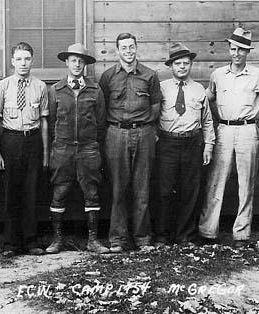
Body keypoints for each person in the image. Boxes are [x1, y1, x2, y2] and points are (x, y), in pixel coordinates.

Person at [198, 28, 259, 248]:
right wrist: (218, 120)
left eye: (241, 49)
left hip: (247, 129)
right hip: (225, 130)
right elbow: (208, 99)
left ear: (248, 52)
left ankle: (241, 234)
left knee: (246, 183)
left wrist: (257, 124)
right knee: (216, 180)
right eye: (233, 48)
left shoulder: (257, 75)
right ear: (229, 49)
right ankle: (208, 231)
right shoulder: (218, 75)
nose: (236, 53)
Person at [99, 33, 162, 252]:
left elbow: (155, 107)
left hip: (143, 133)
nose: (128, 51)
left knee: (142, 188)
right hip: (116, 133)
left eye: (131, 47)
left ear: (137, 48)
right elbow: (102, 108)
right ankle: (118, 239)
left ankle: (143, 238)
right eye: (123, 48)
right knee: (118, 188)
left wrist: (144, 128)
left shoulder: (149, 76)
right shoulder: (108, 77)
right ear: (117, 51)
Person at [46, 43, 109, 254]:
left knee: (91, 193)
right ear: (67, 63)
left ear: (85, 65)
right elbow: (53, 120)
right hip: (62, 149)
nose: (77, 64)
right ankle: (57, 240)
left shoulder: (95, 89)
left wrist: (90, 143)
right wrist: (60, 143)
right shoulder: (56, 90)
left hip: (88, 149)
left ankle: (93, 241)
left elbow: (100, 122)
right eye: (73, 60)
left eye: (81, 61)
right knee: (60, 191)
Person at [155, 43, 215, 246]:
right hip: (167, 143)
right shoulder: (161, 88)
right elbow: (153, 116)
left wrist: (208, 145)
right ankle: (163, 236)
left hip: (192, 142)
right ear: (171, 66)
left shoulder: (199, 89)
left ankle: (185, 235)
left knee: (190, 191)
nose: (182, 67)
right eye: (178, 63)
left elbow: (207, 120)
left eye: (186, 63)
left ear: (191, 65)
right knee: (165, 191)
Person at [0, 42, 49, 257]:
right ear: (12, 61)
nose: (23, 63)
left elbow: (44, 121)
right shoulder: (3, 87)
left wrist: (45, 153)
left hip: (33, 141)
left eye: (27, 59)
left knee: (31, 191)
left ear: (32, 60)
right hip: (10, 140)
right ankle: (10, 243)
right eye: (19, 59)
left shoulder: (40, 86)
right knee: (11, 192)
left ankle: (31, 241)